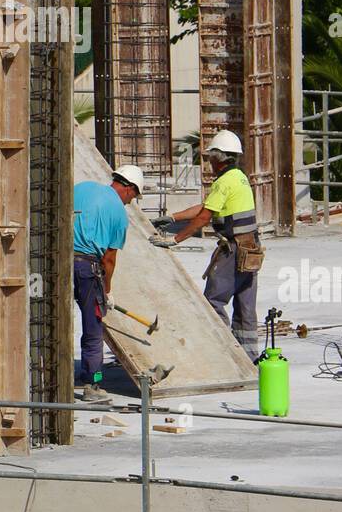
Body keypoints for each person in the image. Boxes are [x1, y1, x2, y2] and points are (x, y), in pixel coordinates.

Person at [156, 131, 262, 360]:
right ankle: (248, 357)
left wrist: (174, 239)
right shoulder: (239, 177)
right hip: (251, 248)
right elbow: (207, 206)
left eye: (209, 158)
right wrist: (173, 217)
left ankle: (221, 349)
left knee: (213, 300)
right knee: (245, 304)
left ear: (219, 158)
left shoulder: (224, 182)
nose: (208, 163)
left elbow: (204, 217)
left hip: (234, 250)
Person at [73, 164, 144, 403]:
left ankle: (42, 376)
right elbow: (109, 259)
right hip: (87, 268)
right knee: (93, 325)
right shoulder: (118, 213)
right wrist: (107, 290)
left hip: (54, 262)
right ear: (129, 188)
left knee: (50, 320)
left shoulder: (83, 188)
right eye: (134, 197)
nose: (131, 202)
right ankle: (92, 384)